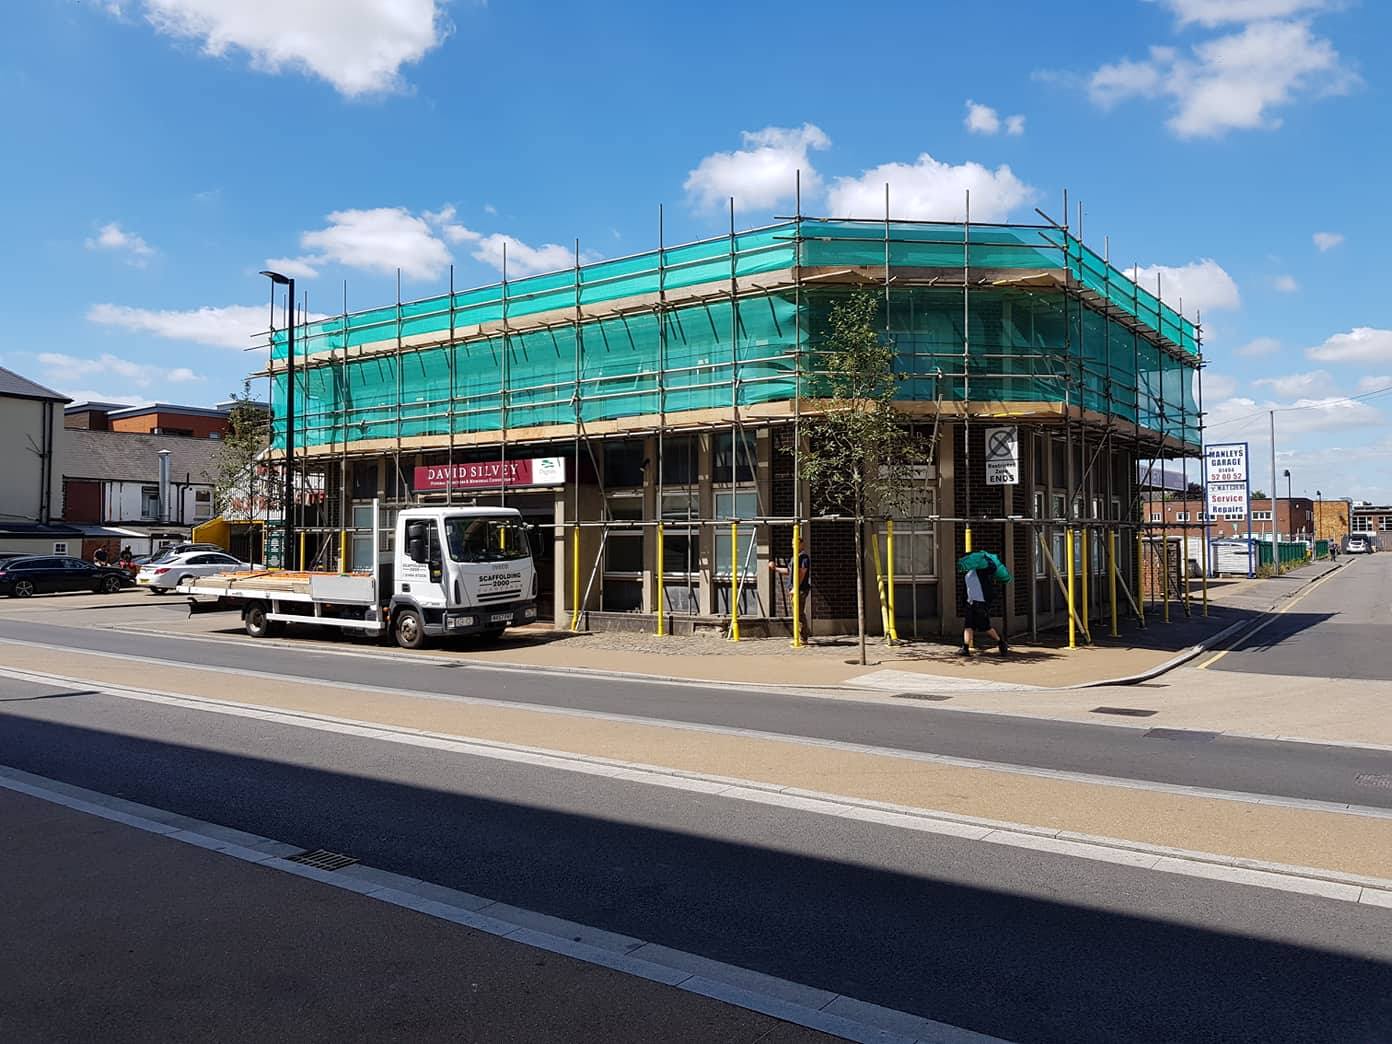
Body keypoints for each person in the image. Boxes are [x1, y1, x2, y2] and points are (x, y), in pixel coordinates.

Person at [961, 561, 1008, 657]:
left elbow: (992, 568)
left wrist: (987, 560)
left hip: (980, 603)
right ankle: (965, 648)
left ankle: (1000, 642)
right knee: (968, 626)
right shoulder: (968, 572)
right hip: (970, 603)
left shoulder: (982, 571)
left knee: (985, 627)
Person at [769, 549, 812, 639]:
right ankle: (802, 635)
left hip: (800, 589)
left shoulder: (803, 557)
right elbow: (789, 571)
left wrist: (795, 587)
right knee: (797, 613)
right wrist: (775, 568)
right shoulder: (794, 557)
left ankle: (803, 636)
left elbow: (802, 572)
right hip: (796, 589)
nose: (793, 545)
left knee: (799, 613)